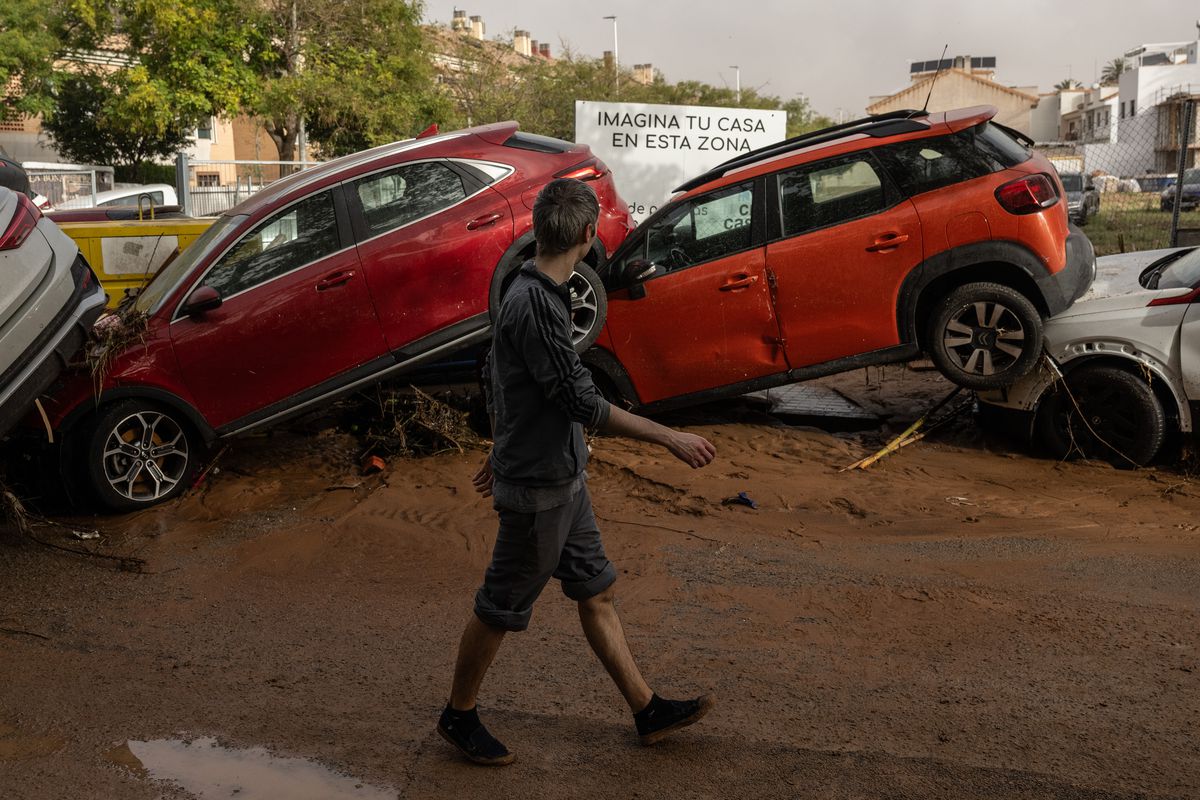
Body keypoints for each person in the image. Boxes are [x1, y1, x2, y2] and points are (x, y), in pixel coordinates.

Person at [437, 178, 718, 766]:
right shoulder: (534, 301)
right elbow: (580, 401)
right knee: (501, 607)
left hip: (564, 477)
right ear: (589, 236)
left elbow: (500, 373)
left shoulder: (530, 286)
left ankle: (647, 710)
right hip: (539, 490)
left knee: (596, 591)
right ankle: (459, 715)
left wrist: (500, 442)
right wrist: (668, 436)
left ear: (537, 229)